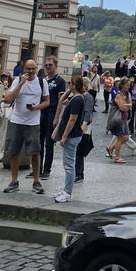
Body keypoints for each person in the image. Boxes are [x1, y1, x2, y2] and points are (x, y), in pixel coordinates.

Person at [2, 59, 50, 194]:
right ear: (24, 69)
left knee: (35, 152)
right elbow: (8, 99)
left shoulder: (42, 82)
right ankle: (14, 181)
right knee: (13, 151)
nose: (30, 71)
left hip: (33, 122)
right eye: (28, 69)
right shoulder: (18, 81)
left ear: (36, 69)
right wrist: (20, 84)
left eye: (33, 69)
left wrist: (36, 108)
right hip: (16, 120)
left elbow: (47, 101)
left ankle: (36, 181)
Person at [53, 74, 86, 202]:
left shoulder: (77, 99)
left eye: (70, 84)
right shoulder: (75, 97)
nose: (68, 85)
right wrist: (69, 90)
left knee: (69, 165)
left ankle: (68, 192)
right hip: (72, 136)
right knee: (68, 164)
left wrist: (64, 136)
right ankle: (66, 189)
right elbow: (61, 101)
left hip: (72, 136)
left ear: (73, 84)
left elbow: (72, 120)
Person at [39, 57, 67, 180]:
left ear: (55, 65)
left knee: (49, 143)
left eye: (50, 65)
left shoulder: (60, 81)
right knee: (38, 142)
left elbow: (61, 101)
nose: (48, 67)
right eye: (46, 65)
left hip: (51, 113)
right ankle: (37, 168)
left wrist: (57, 118)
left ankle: (46, 169)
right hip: (41, 113)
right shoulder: (43, 80)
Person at [107, 78, 132, 163]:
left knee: (126, 137)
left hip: (124, 118)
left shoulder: (127, 94)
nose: (129, 86)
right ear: (122, 85)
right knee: (120, 138)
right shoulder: (118, 95)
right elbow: (123, 108)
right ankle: (117, 157)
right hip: (118, 119)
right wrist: (127, 105)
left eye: (129, 85)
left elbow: (129, 105)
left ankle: (111, 148)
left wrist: (127, 105)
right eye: (127, 85)